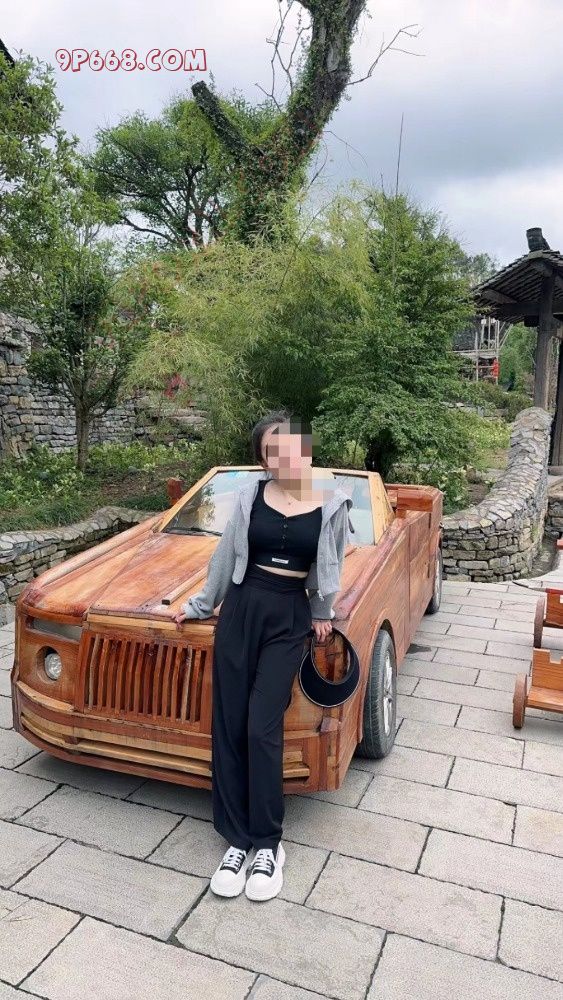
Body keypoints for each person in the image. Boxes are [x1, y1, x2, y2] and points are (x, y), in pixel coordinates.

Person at [174, 409, 354, 902]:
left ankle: (268, 845)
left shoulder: (332, 498)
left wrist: (322, 610)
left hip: (287, 616)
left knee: (261, 725)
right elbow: (226, 554)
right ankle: (237, 841)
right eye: (272, 449)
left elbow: (332, 561)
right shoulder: (250, 494)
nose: (284, 455)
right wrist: (202, 605)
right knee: (231, 723)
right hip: (241, 608)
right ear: (263, 459)